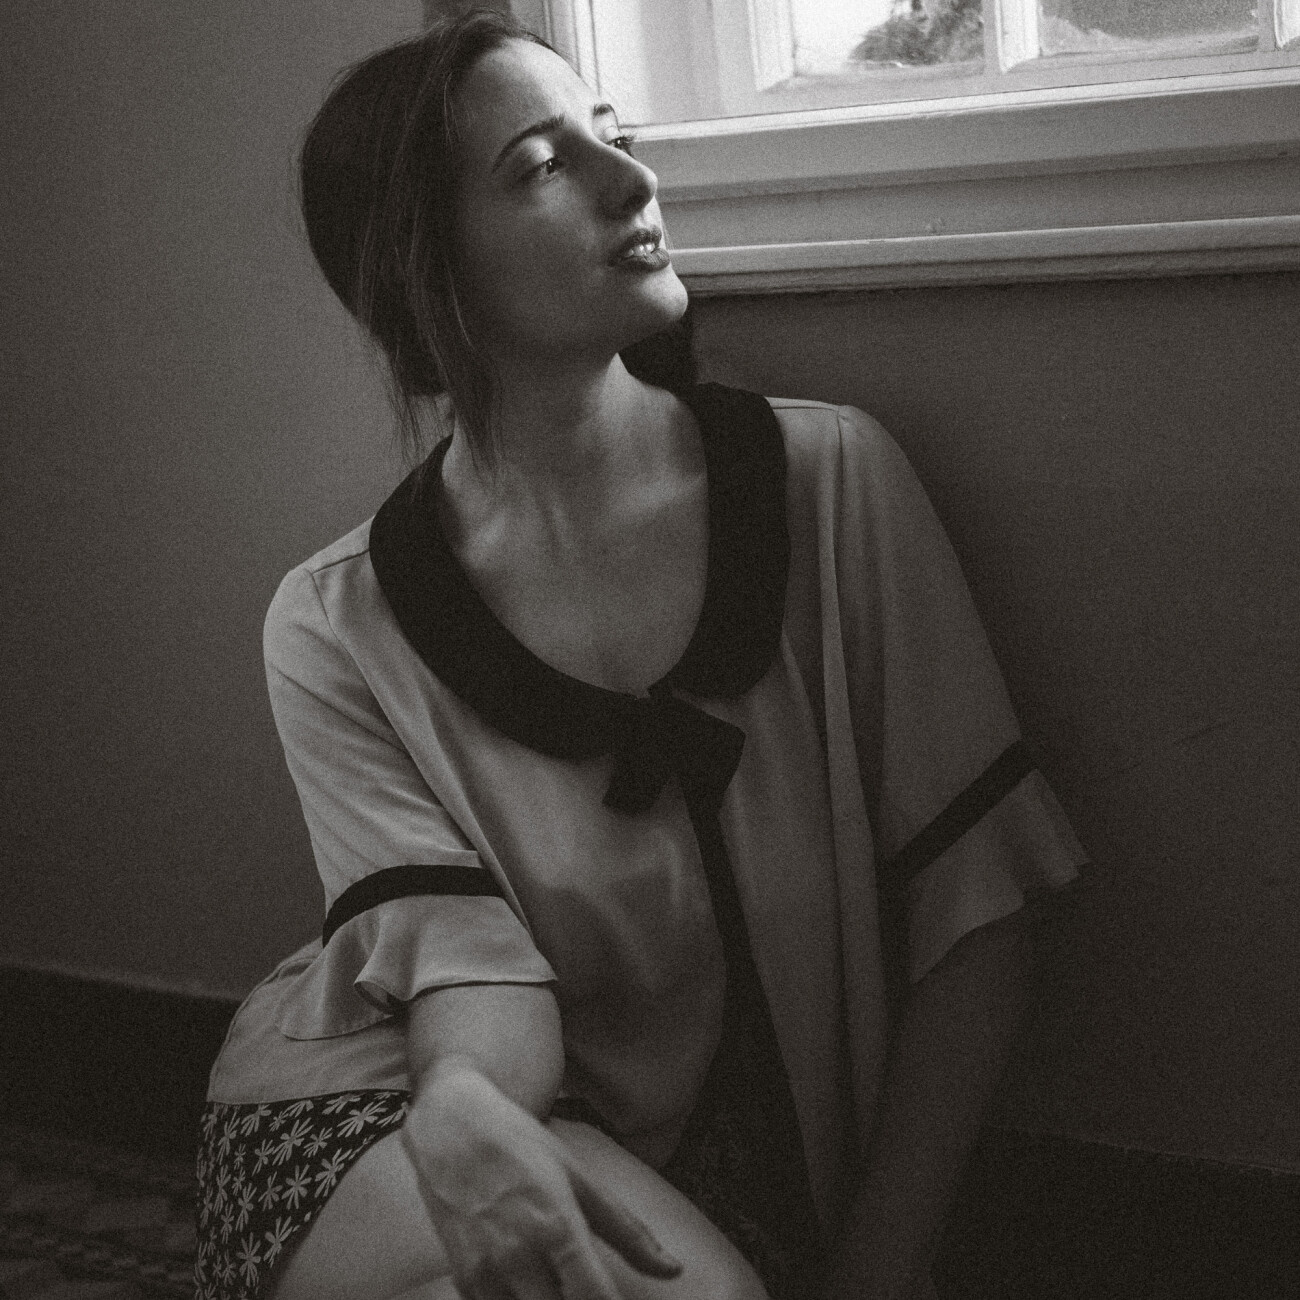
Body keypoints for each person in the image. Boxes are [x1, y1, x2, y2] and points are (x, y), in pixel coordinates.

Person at [195, 10, 1086, 1300]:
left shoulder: (828, 481)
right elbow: (471, 979)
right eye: (541, 165)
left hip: (734, 1172)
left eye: (612, 132)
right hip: (397, 1103)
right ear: (425, 271)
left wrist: (881, 1272)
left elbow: (983, 922)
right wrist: (458, 1108)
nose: (631, 178)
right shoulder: (339, 626)